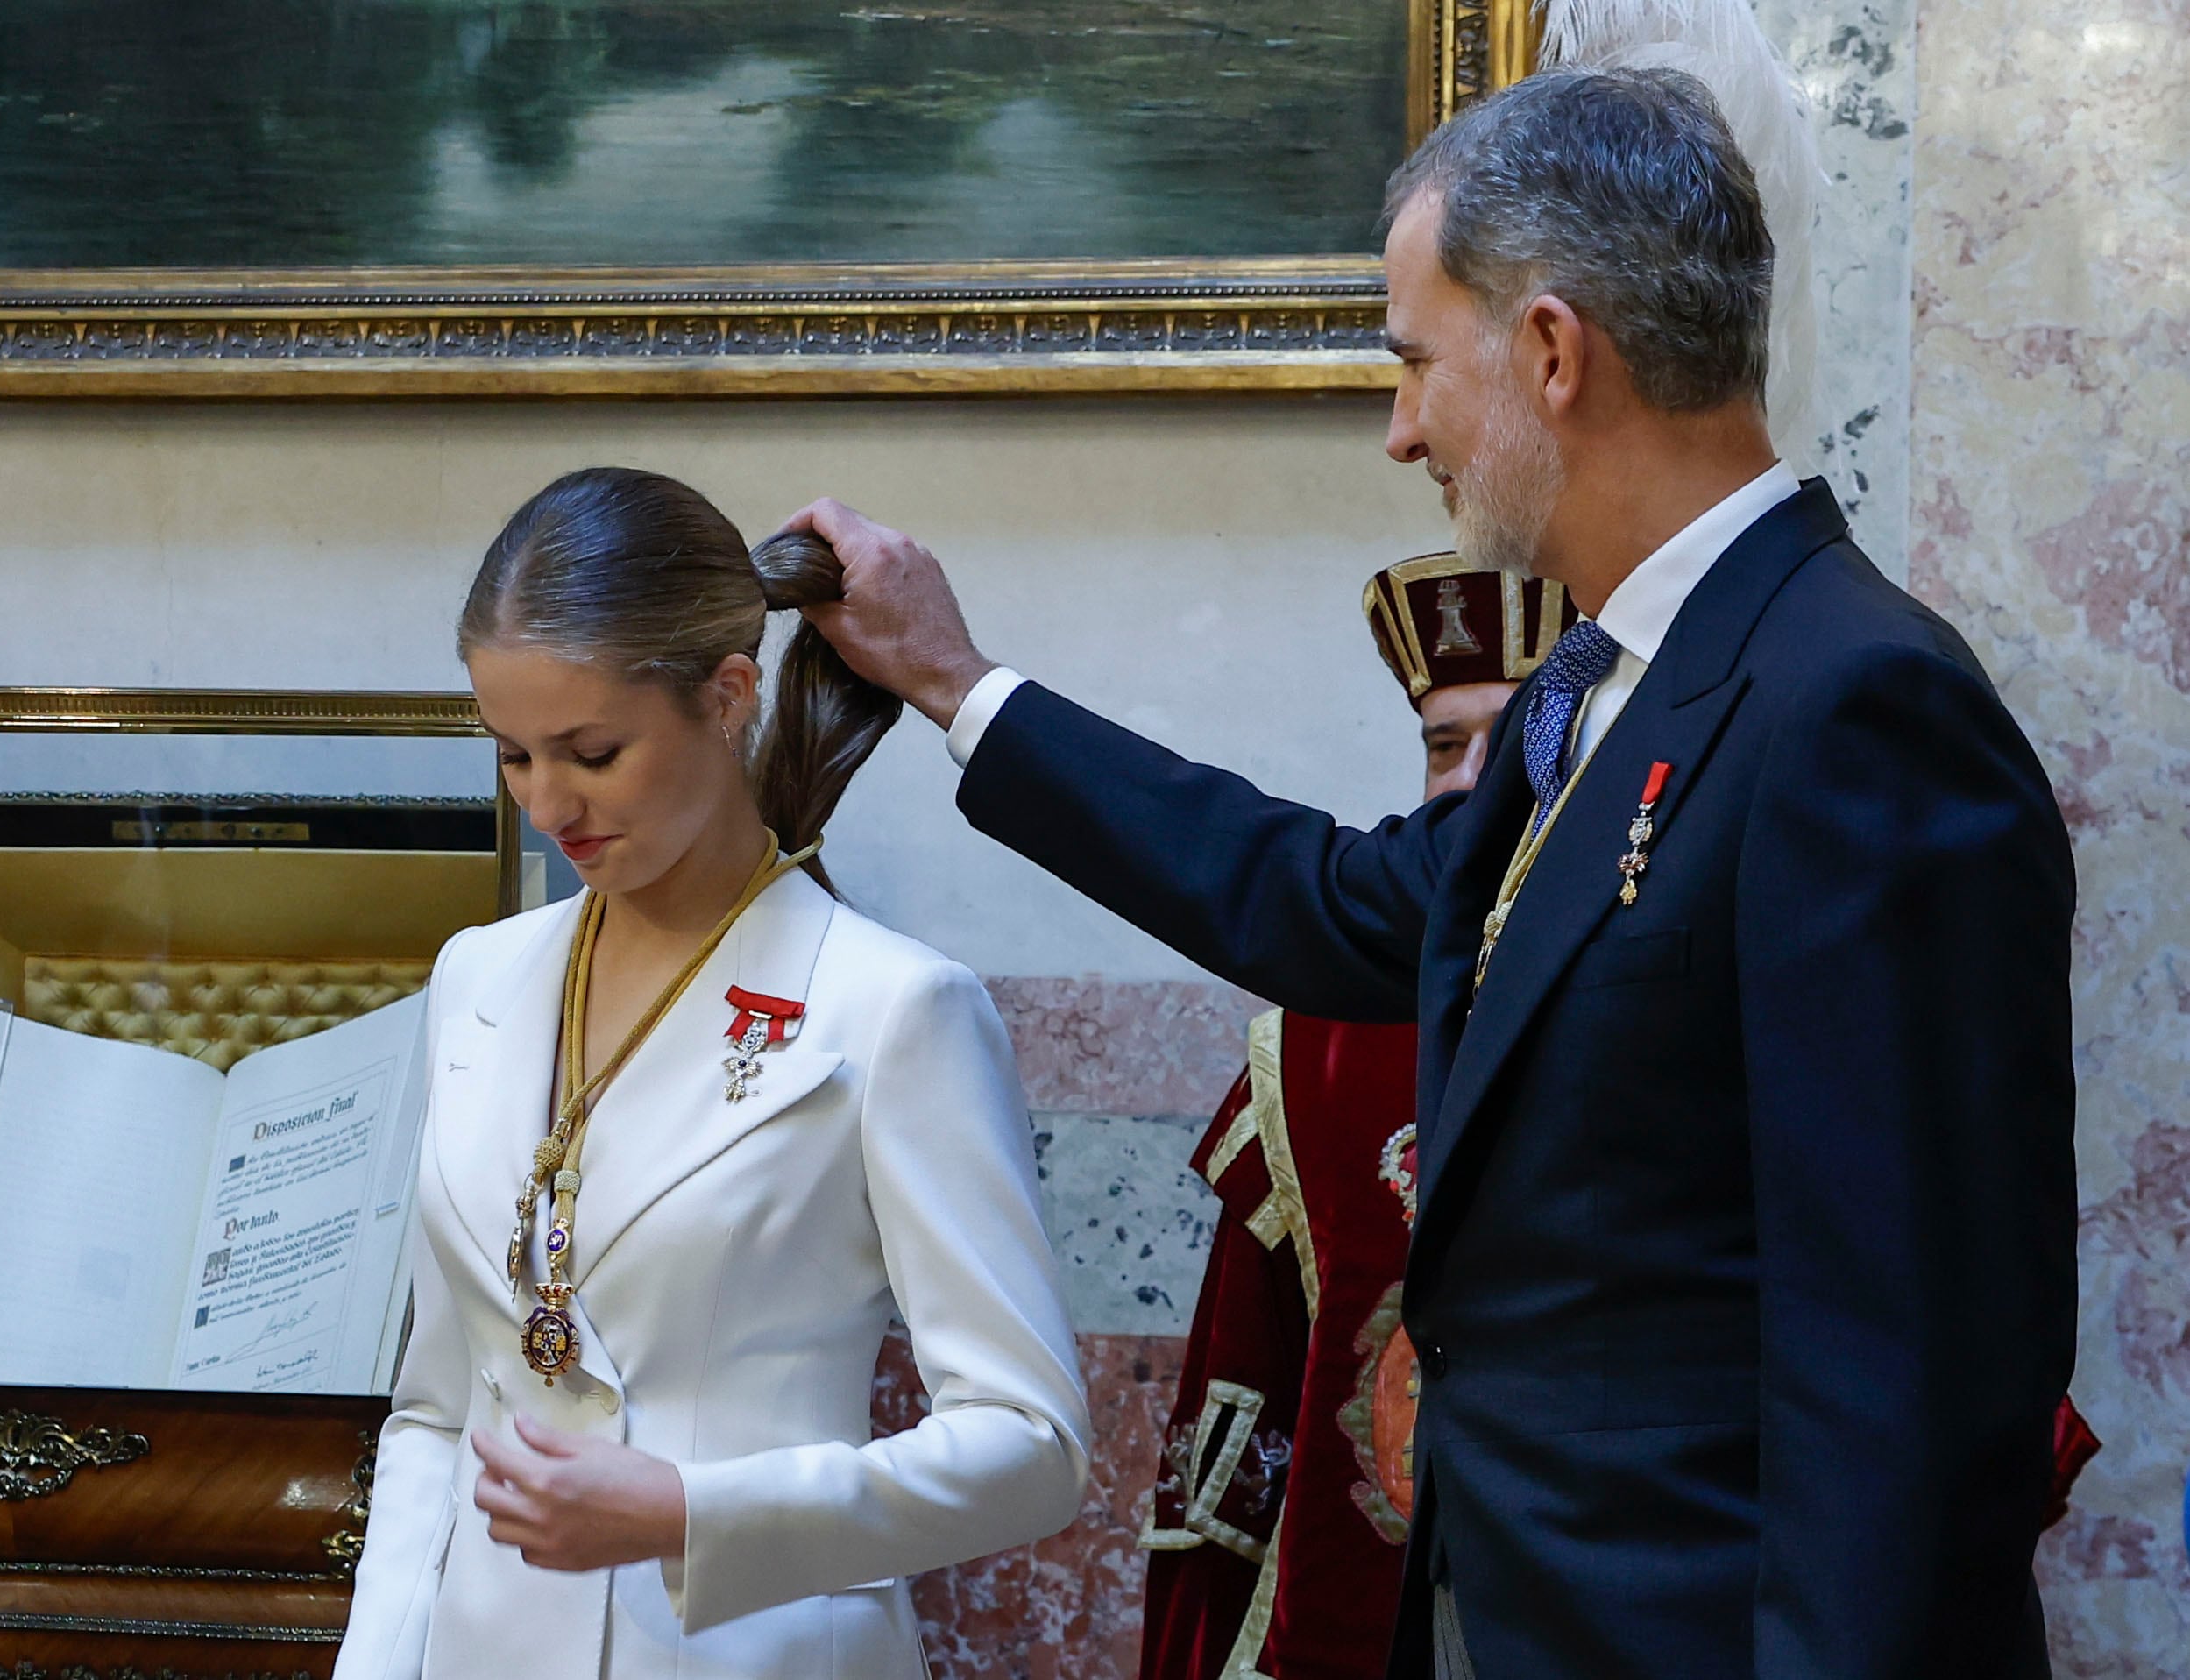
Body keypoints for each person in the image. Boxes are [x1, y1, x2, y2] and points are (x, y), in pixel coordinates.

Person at [785, 67, 2077, 1680]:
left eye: (1412, 363)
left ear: (1550, 352)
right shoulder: (1591, 687)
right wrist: (957, 681)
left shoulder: (1856, 703)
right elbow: (1345, 906)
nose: (1401, 430)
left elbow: (1921, 1372)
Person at [332, 467, 1090, 1680]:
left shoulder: (891, 1008)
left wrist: (693, 1512)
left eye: (591, 751)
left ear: (726, 695)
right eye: (513, 755)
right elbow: (438, 1409)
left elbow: (1030, 1445)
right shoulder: (478, 976)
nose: (547, 805)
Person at [1140, 558, 1572, 1680]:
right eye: (1441, 745)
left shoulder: (1697, 1006)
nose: (1467, 784)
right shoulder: (1315, 1048)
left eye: (1509, 740)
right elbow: (1237, 1414)